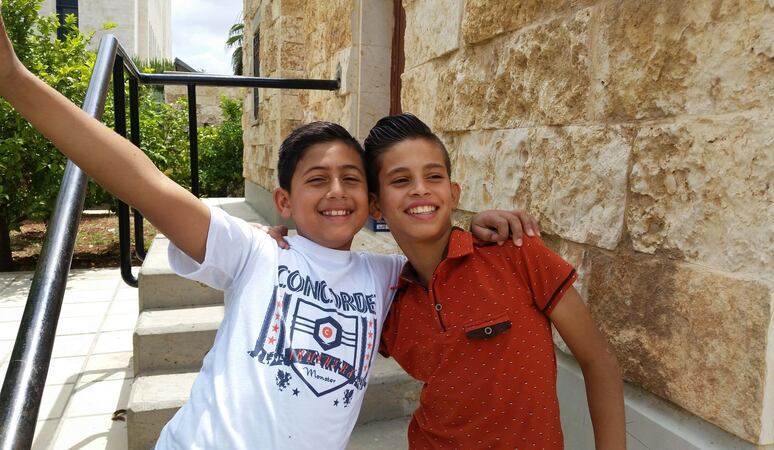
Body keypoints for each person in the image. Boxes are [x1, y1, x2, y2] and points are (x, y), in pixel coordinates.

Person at [0, 8, 536, 448]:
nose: (335, 191)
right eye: (316, 179)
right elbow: (142, 181)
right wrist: (14, 81)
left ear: (370, 200)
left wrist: (477, 222)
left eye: (351, 178)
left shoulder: (387, 275)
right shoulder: (254, 252)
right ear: (282, 200)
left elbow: (437, 245)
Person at [365, 114, 627, 449]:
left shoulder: (515, 254)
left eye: (433, 176)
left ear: (453, 193)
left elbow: (598, 360)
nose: (420, 188)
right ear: (375, 206)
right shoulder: (388, 300)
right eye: (400, 181)